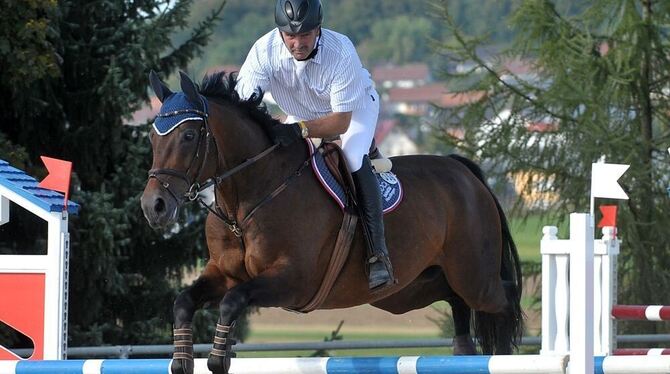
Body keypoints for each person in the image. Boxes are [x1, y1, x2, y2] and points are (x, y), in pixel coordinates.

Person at [235, 0, 393, 290]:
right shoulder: (263, 50)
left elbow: (340, 122)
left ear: (318, 28)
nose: (297, 43)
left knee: (352, 156)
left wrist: (299, 129)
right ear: (280, 32)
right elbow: (244, 105)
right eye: (290, 36)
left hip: (353, 110)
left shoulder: (340, 50)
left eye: (304, 35)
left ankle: (377, 254)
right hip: (303, 113)